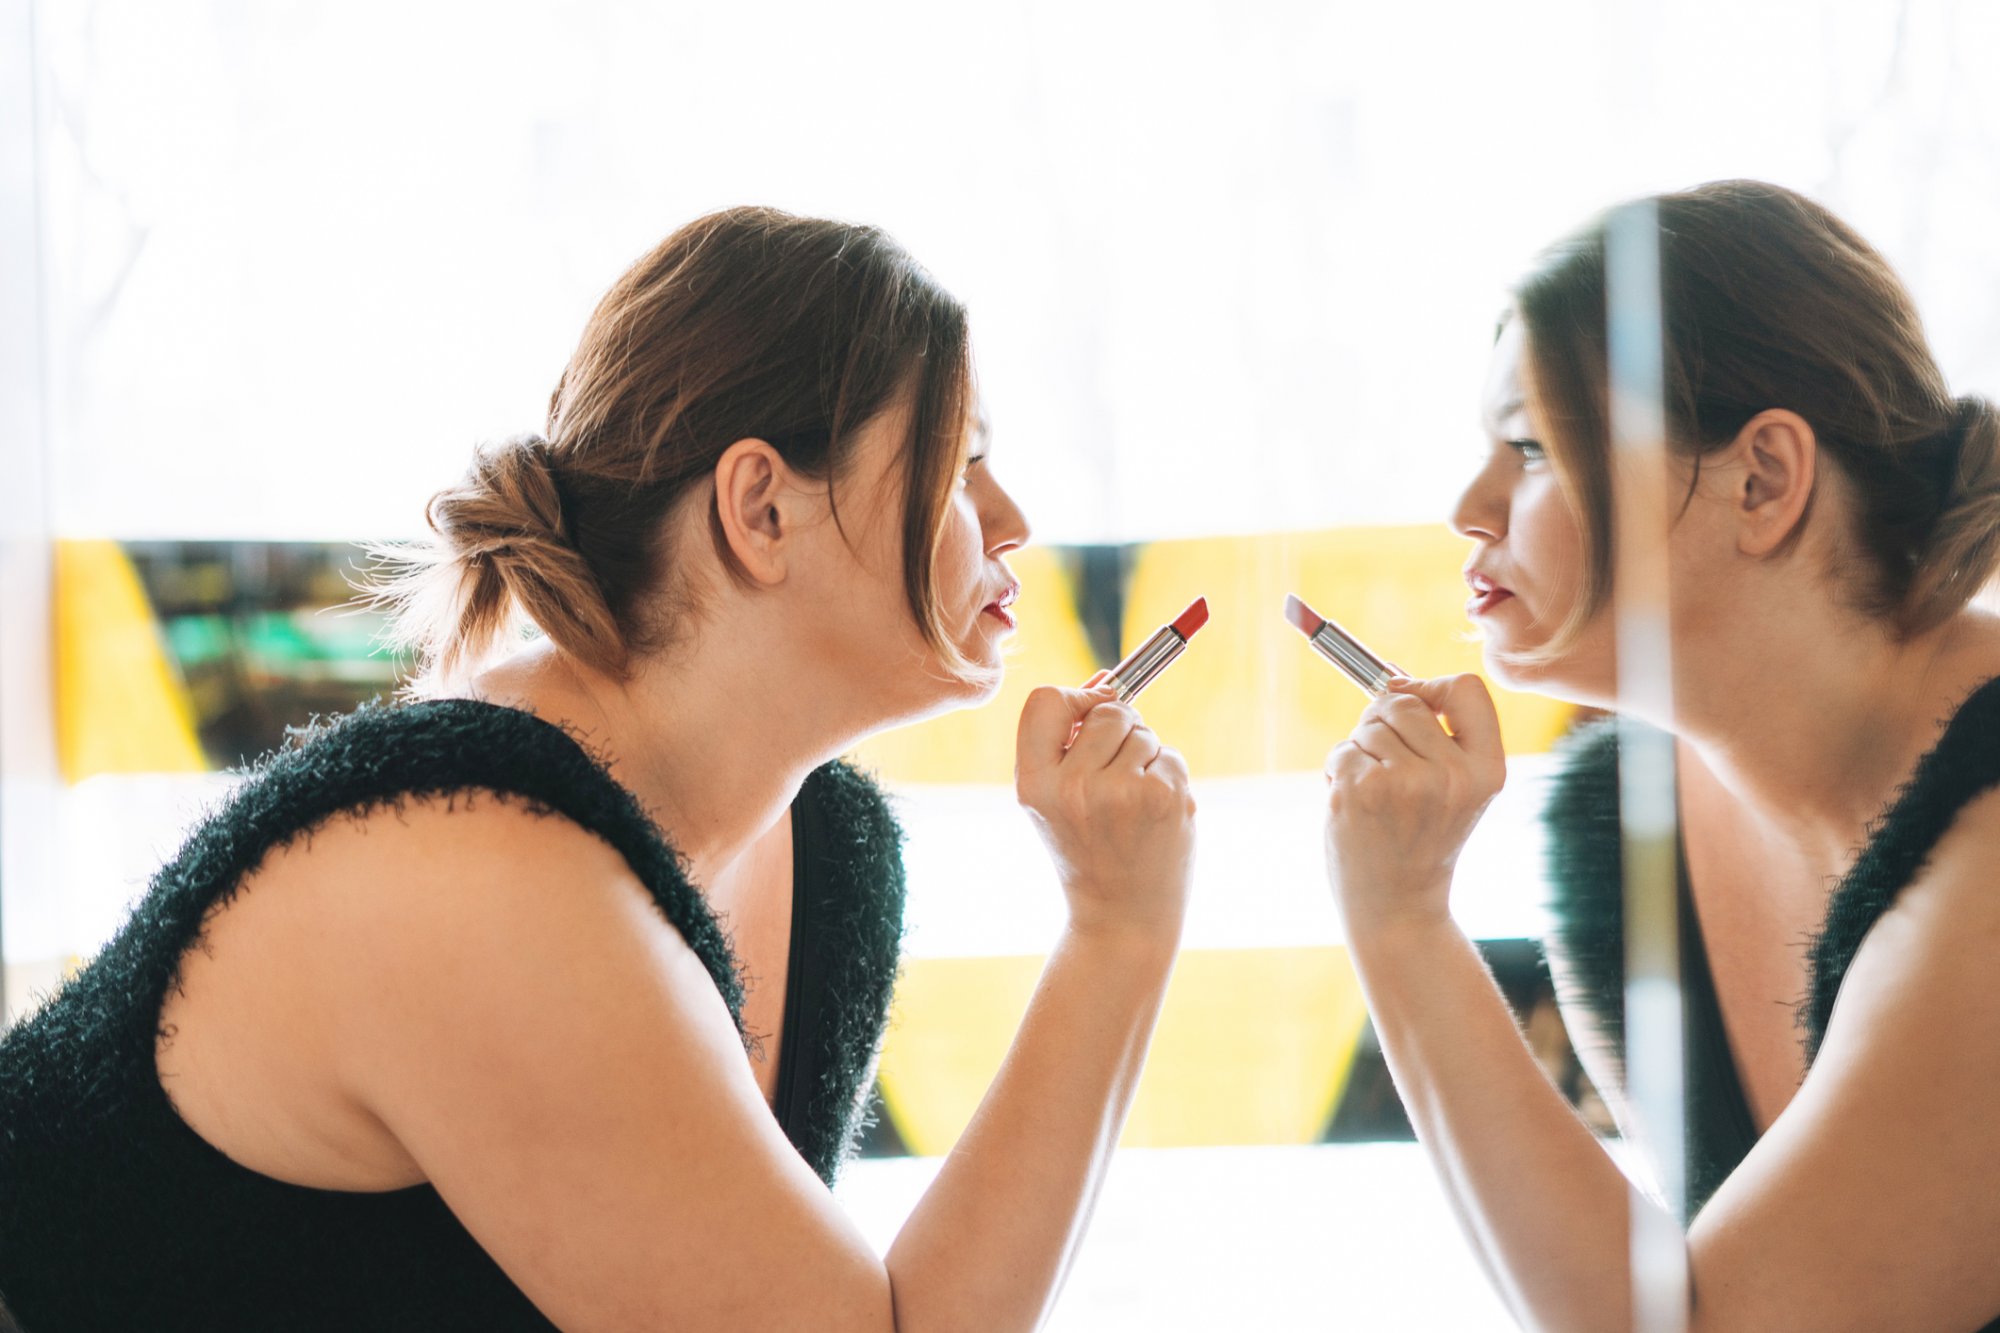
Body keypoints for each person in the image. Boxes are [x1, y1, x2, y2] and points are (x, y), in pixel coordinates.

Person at [0, 207, 1197, 1331]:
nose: (1012, 518)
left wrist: (1119, 930)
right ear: (760, 509)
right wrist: (1115, 933)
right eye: (954, 466)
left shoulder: (830, 854)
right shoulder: (479, 863)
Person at [1319, 180, 2000, 1330]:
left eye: (1531, 448)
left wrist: (1398, 920)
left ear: (1763, 480)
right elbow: (1645, 1292)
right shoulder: (1615, 831)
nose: (1467, 508)